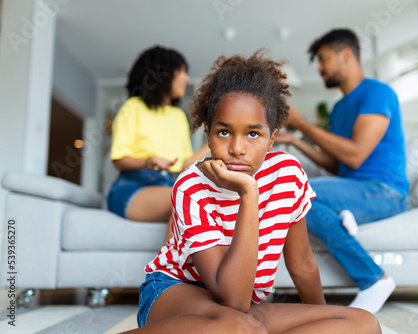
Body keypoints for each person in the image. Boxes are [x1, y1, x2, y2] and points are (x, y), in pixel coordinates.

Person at [123, 51, 381, 333]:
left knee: (362, 323)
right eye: (224, 132)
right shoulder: (191, 186)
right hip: (175, 291)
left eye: (253, 134)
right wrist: (249, 193)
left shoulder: (288, 174)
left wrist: (322, 320)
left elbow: (303, 264)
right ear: (208, 134)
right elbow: (231, 297)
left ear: (272, 139)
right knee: (239, 326)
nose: (237, 147)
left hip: (243, 307)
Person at [275, 28, 409, 314]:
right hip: (353, 188)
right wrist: (297, 141)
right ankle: (341, 214)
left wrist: (302, 124)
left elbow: (356, 154)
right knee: (297, 192)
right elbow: (338, 164)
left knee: (298, 195)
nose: (320, 68)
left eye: (323, 60)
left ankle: (374, 279)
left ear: (346, 54)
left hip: (386, 191)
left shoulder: (377, 93)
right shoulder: (337, 109)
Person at [107, 46, 210, 240]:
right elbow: (119, 159)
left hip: (171, 184)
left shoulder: (179, 116)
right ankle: (167, 270)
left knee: (193, 197)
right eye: (182, 71)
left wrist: (217, 138)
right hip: (134, 186)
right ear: (163, 72)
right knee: (185, 198)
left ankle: (174, 268)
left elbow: (185, 164)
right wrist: (148, 161)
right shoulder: (133, 108)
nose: (186, 79)